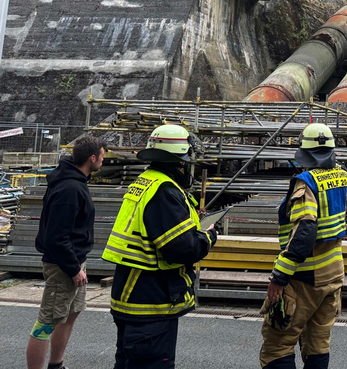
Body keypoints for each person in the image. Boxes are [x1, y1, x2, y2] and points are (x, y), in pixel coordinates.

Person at [102, 124, 216, 368]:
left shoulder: (147, 181)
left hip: (132, 294)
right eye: (187, 161)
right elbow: (180, 248)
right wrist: (207, 238)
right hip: (150, 302)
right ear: (179, 162)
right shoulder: (164, 190)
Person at [260, 122, 347, 369]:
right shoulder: (341, 177)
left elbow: (305, 231)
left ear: (305, 153)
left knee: (277, 344)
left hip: (304, 277)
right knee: (318, 341)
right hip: (333, 274)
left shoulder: (306, 183)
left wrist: (280, 276)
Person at [27, 136, 105, 369]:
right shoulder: (70, 188)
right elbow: (56, 237)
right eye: (102, 155)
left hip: (74, 261)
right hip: (63, 265)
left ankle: (56, 365)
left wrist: (77, 265)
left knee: (70, 314)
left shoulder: (75, 181)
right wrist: (72, 269)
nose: (103, 159)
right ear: (92, 158)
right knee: (47, 322)